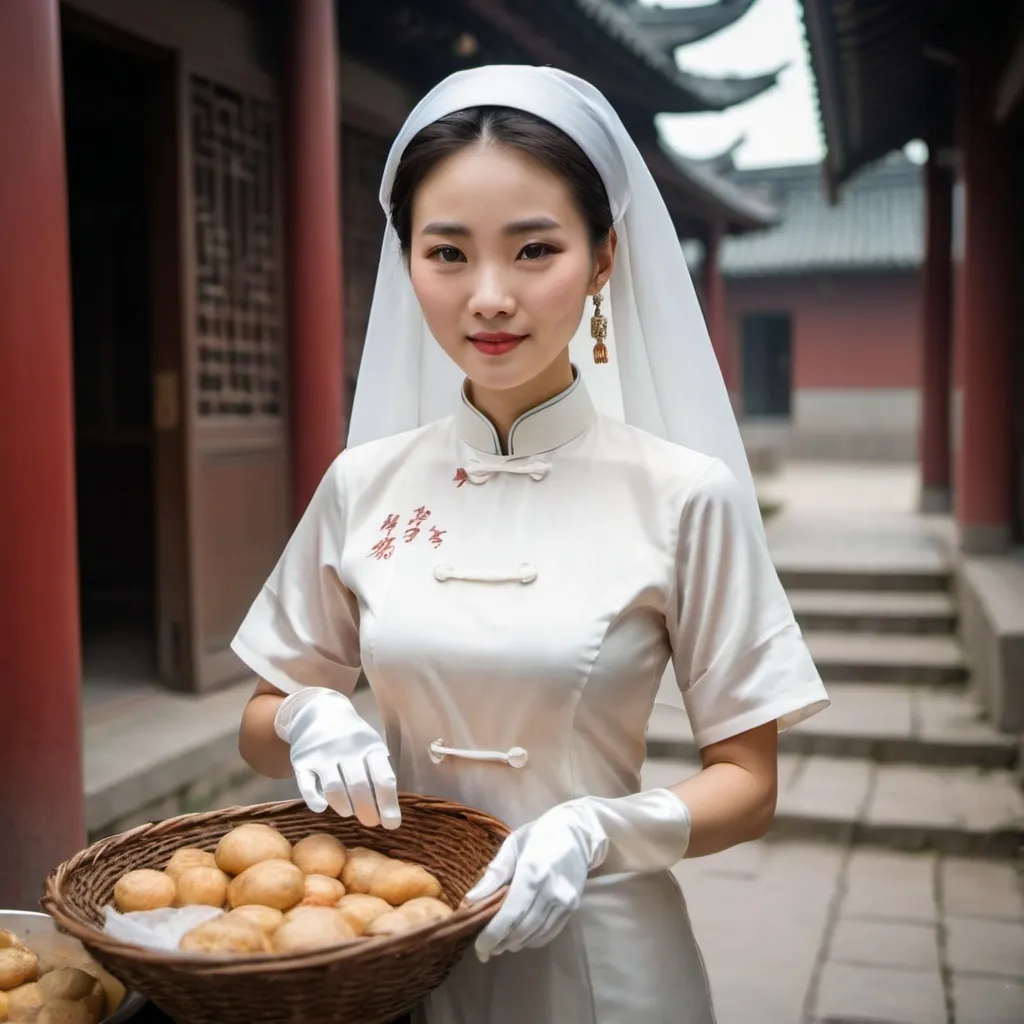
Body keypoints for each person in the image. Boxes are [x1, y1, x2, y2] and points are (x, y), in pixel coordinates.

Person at [233, 65, 829, 1024]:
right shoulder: (363, 485)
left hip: (606, 958)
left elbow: (749, 787)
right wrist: (307, 715)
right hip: (393, 952)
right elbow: (260, 728)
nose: (490, 297)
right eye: (449, 254)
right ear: (408, 264)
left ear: (602, 261)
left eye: (534, 249)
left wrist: (602, 830)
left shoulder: (684, 497)